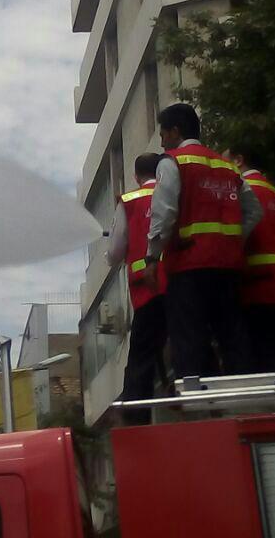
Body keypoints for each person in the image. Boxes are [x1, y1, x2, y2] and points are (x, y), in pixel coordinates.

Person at [142, 103, 261, 378]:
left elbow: (164, 212)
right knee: (233, 336)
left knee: (189, 340)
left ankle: (198, 405)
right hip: (228, 266)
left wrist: (151, 257)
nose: (161, 142)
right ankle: (245, 401)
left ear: (175, 131)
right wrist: (233, 240)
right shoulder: (226, 166)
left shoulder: (172, 162)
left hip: (188, 266)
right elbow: (254, 210)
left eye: (163, 134)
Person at [226, 146, 275, 372]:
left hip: (257, 287)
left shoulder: (245, 192)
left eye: (226, 161)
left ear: (239, 161)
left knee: (261, 365)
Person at [106, 153, 169, 422]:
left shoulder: (130, 201)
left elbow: (115, 252)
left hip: (148, 290)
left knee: (141, 358)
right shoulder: (174, 194)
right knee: (191, 343)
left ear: (136, 176)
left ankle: (137, 419)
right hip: (180, 284)